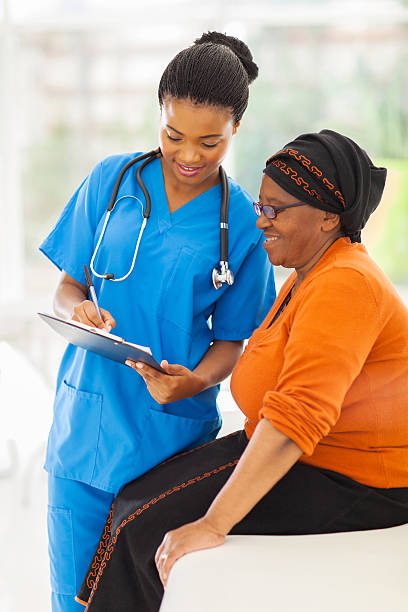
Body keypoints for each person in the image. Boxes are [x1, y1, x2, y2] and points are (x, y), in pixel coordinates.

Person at [76, 129, 408, 612]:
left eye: (274, 210)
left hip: (352, 478)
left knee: (142, 527)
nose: (259, 220)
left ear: (329, 218)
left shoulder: (346, 284)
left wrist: (213, 524)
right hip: (297, 452)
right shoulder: (310, 273)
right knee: (132, 500)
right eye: (260, 205)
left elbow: (297, 418)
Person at [40, 32, 276, 612]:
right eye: (174, 135)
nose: (190, 155)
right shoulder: (111, 181)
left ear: (236, 130)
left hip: (169, 443)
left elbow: (233, 342)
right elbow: (70, 286)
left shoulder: (241, 222)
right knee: (71, 601)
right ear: (159, 113)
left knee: (146, 600)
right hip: (85, 432)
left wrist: (197, 381)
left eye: (210, 141)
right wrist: (80, 311)